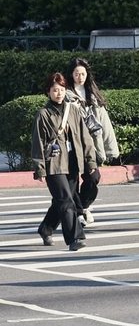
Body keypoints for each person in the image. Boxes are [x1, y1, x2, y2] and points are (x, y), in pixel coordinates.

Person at [31, 72, 98, 251]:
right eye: (54, 90)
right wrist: (40, 169)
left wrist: (91, 162)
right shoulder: (43, 114)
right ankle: (74, 238)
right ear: (48, 92)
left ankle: (45, 229)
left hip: (73, 163)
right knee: (66, 200)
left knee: (60, 201)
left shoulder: (73, 110)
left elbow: (85, 138)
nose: (58, 93)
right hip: (54, 164)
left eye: (61, 90)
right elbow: (38, 143)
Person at [64, 57, 118, 227]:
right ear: (71, 75)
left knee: (93, 178)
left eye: (83, 73)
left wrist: (110, 149)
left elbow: (105, 124)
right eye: (77, 73)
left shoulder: (93, 96)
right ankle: (79, 213)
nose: (80, 77)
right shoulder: (66, 95)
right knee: (72, 181)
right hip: (73, 144)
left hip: (91, 145)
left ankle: (84, 206)